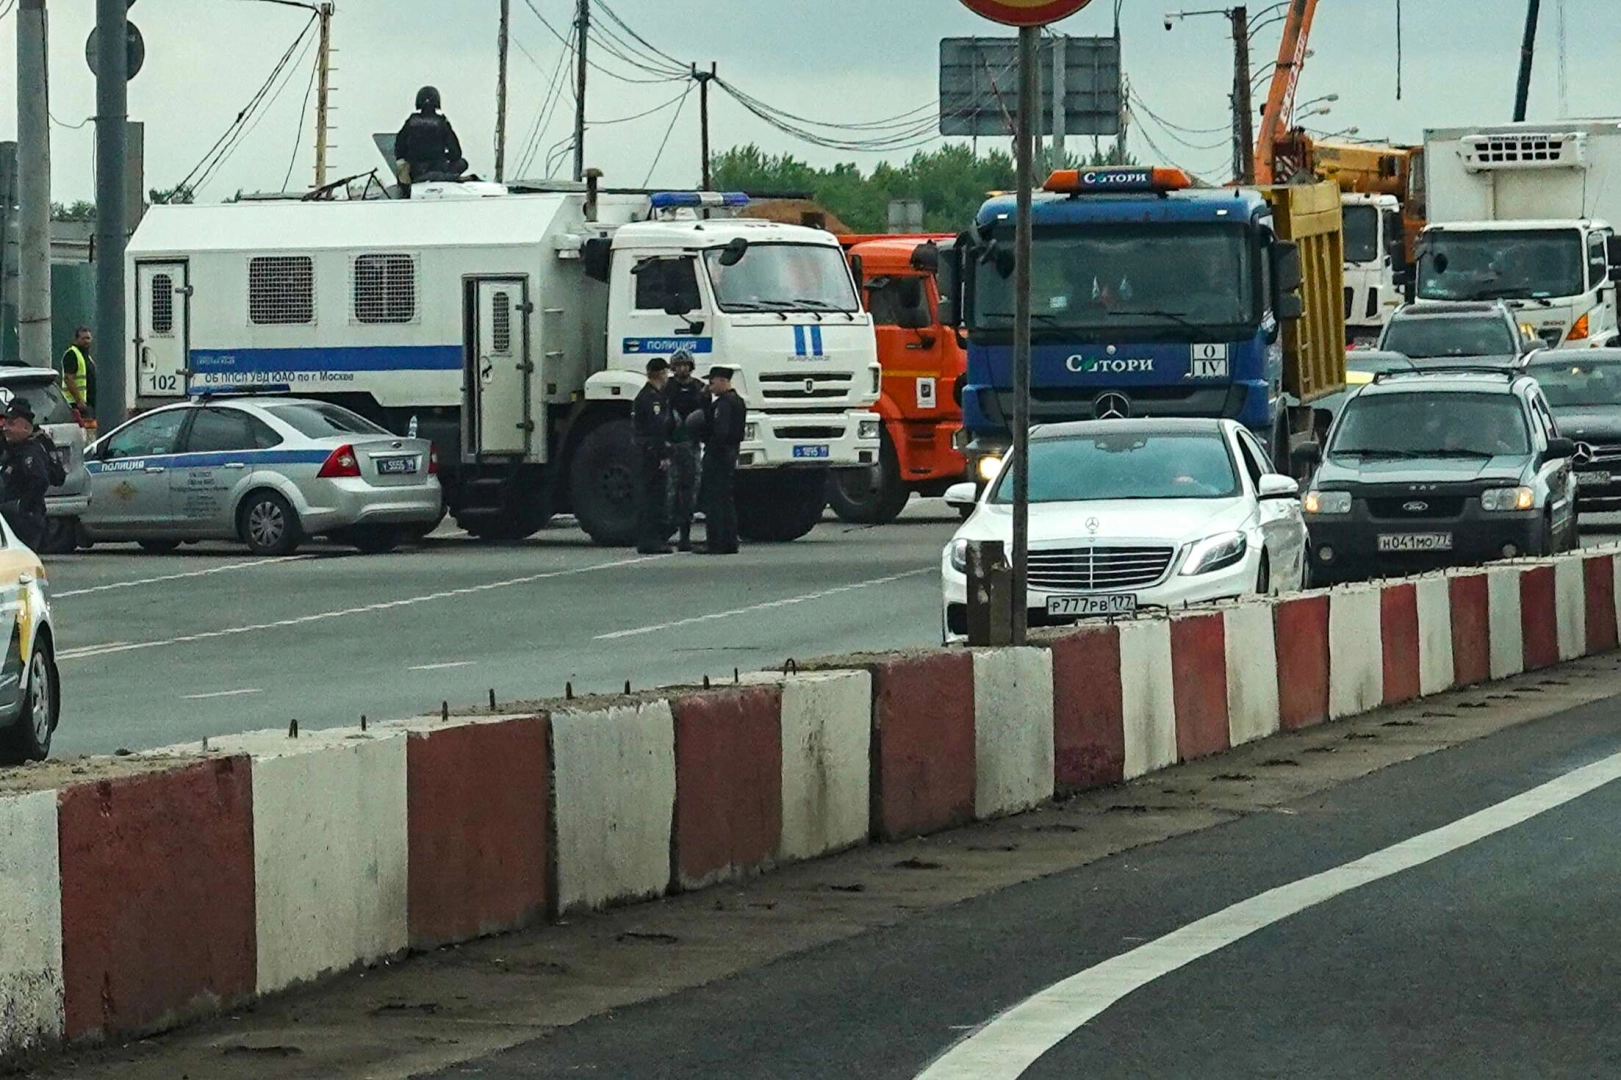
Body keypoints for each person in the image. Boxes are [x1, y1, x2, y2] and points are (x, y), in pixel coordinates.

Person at [699, 366, 747, 555]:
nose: (710, 387)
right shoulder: (738, 401)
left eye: (712, 383)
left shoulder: (724, 403)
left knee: (715, 500)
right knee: (726, 499)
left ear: (722, 381)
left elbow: (719, 431)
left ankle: (716, 542)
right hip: (732, 452)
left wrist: (710, 450)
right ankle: (729, 541)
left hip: (719, 455)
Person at [663, 349, 706, 551]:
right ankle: (664, 531)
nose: (682, 369)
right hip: (672, 445)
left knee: (690, 491)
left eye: (685, 365)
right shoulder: (667, 388)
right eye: (678, 365)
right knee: (670, 492)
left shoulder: (699, 388)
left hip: (691, 444)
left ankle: (685, 536)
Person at [394, 86, 467, 197]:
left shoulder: (411, 121)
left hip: (415, 172)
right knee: (462, 163)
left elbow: (399, 148)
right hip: (438, 168)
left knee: (402, 168)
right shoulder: (442, 122)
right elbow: (456, 153)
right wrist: (443, 156)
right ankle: (445, 178)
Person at [632, 356, 673, 555]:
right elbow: (656, 428)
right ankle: (651, 540)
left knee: (651, 496)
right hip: (652, 452)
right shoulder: (652, 398)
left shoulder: (648, 395)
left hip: (647, 450)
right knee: (654, 497)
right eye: (666, 372)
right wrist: (663, 455)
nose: (667, 376)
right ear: (660, 373)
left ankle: (649, 539)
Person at [0, 401, 53, 551]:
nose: (5, 428)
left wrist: (21, 506)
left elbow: (40, 481)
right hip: (13, 518)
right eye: (5, 424)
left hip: (26, 521)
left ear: (25, 427)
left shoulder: (30, 453)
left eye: (11, 424)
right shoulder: (14, 449)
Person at [60, 326, 95, 421]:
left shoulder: (87, 357)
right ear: (76, 340)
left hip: (88, 402)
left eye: (88, 338)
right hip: (76, 404)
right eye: (83, 338)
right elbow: (68, 378)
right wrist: (79, 401)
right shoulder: (72, 354)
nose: (86, 341)